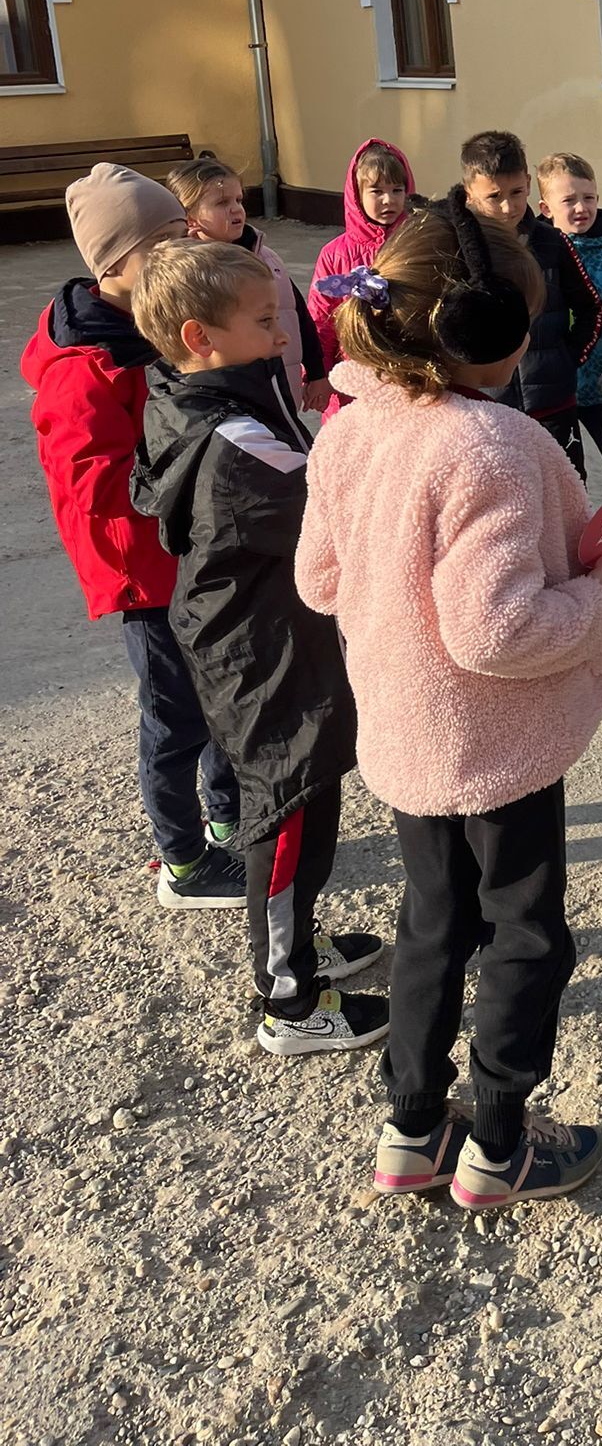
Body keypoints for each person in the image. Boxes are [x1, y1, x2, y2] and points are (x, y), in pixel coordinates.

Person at [296, 193, 602, 1209]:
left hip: (406, 731)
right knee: (526, 931)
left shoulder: (349, 429)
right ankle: (499, 1141)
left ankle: (410, 1129)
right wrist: (597, 596)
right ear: (488, 328)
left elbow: (317, 578)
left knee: (432, 926)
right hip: (495, 742)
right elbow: (498, 629)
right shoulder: (493, 446)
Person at [130, 240, 387, 1053]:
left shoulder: (194, 392)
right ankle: (289, 1000)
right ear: (201, 337)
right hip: (259, 652)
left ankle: (299, 946)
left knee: (309, 798)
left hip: (264, 631)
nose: (282, 336)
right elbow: (332, 507)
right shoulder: (233, 436)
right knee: (286, 810)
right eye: (265, 321)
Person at [20, 162, 244, 906]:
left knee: (219, 690)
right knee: (175, 715)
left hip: (188, 549)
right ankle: (184, 863)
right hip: (145, 569)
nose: (183, 250)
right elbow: (92, 487)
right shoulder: (86, 366)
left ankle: (227, 818)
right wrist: (185, 474)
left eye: (184, 233)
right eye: (164, 242)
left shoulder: (150, 322)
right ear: (114, 264)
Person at [460, 131, 601, 474]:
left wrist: (568, 359)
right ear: (469, 193)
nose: (508, 207)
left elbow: (592, 308)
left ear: (527, 182)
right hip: (487, 406)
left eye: (517, 193)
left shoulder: (552, 243)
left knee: (566, 489)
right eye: (494, 197)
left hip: (554, 405)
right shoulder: (456, 249)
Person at [168, 152, 329, 410]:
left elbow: (297, 313)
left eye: (239, 200)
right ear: (190, 217)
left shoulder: (267, 258)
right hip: (229, 400)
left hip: (282, 388)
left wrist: (317, 373)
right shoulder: (187, 274)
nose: (236, 209)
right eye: (222, 202)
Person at [307, 139, 415, 418]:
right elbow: (321, 321)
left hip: (407, 377)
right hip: (351, 382)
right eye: (376, 191)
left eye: (397, 190)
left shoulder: (415, 245)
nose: (388, 200)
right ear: (356, 195)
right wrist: (317, 375)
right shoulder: (335, 254)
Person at [538, 149, 602, 474]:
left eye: (589, 198)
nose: (581, 208)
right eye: (569, 200)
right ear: (546, 209)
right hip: (562, 387)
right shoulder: (541, 254)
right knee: (570, 472)